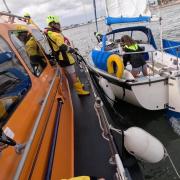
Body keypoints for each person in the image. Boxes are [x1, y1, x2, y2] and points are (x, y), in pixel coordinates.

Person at [45, 15, 90, 96]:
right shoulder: (56, 35)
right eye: (58, 23)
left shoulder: (49, 33)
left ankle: (79, 85)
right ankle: (80, 91)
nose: (59, 25)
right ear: (53, 24)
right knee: (73, 73)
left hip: (60, 58)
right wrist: (72, 50)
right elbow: (62, 46)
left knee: (72, 73)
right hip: (65, 57)